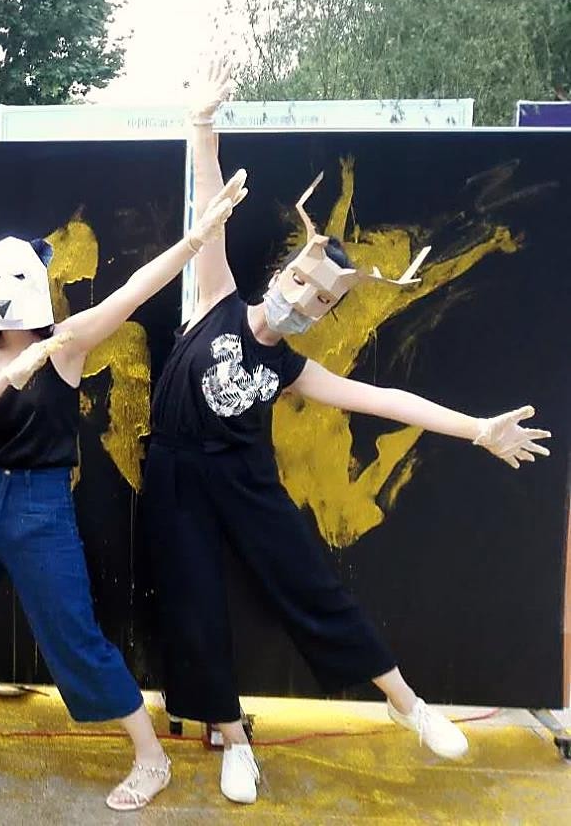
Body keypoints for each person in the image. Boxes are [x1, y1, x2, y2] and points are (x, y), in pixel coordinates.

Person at [144, 58, 552, 804]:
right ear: (282, 271)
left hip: (244, 478)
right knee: (193, 604)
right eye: (302, 280)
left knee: (309, 581)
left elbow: (386, 399)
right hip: (174, 476)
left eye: (323, 299)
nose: (304, 298)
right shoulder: (216, 299)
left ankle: (407, 703)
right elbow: (212, 210)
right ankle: (233, 739)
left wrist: (476, 429)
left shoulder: (295, 368)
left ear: (328, 313)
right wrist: (201, 124)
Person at [0, 174, 248, 811]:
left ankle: (151, 757)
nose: (5, 290)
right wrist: (8, 377)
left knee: (74, 637)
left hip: (43, 506)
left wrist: (197, 238)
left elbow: (133, 291)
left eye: (17, 276)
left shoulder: (66, 345)